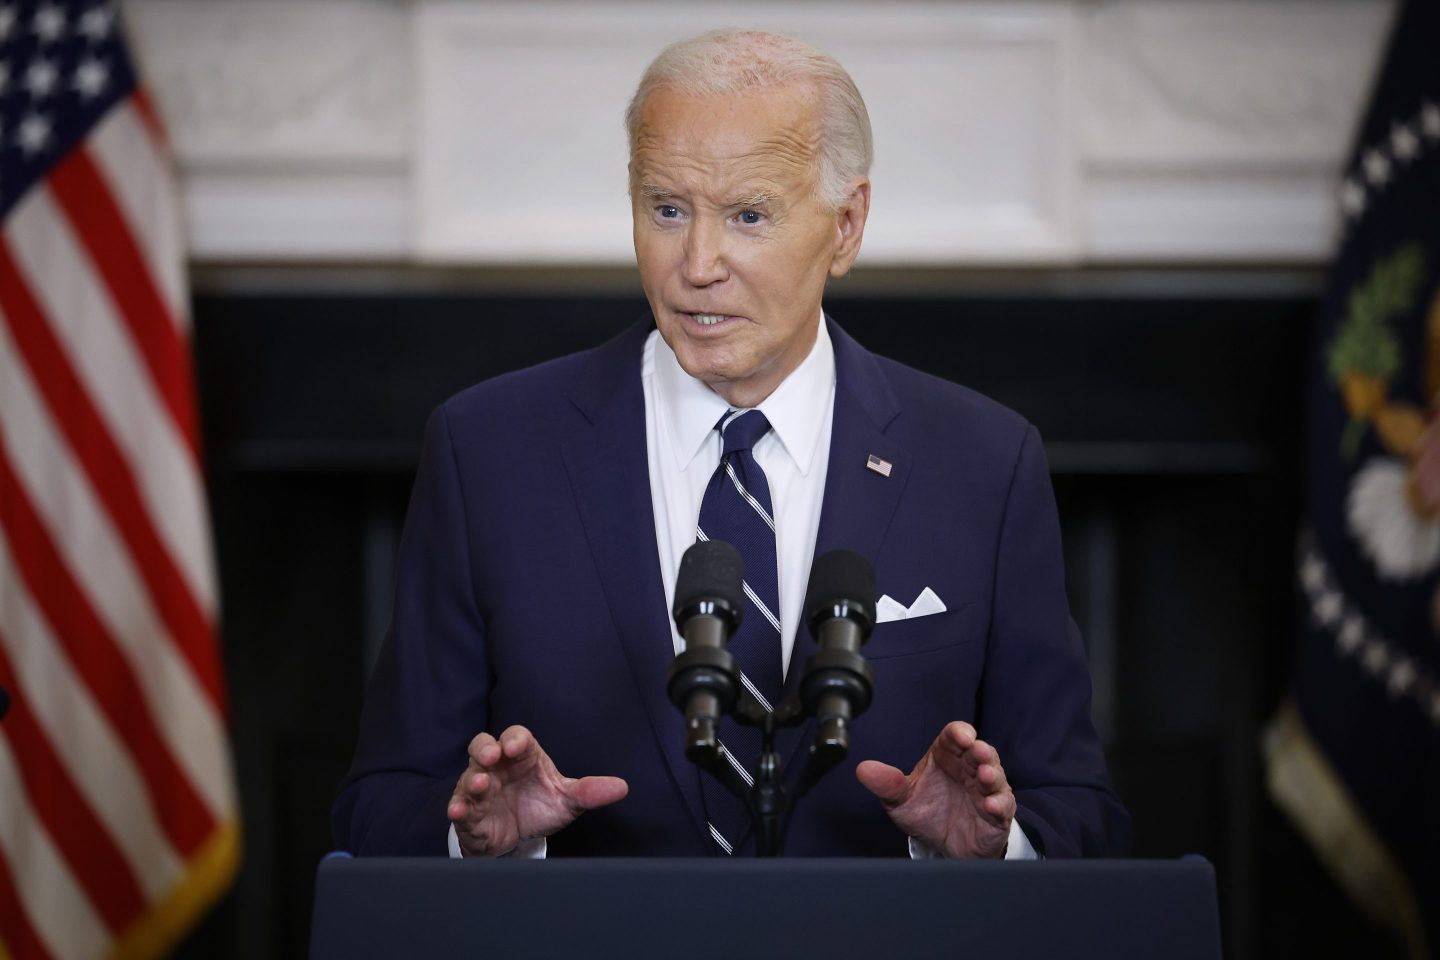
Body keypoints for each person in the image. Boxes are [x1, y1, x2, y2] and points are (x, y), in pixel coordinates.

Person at [333, 29, 1129, 860]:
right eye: (666, 209)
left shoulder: (983, 466)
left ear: (847, 227)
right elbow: (379, 808)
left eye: (748, 215)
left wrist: (997, 849)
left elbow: (1082, 815)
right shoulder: (486, 454)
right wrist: (479, 842)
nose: (698, 264)